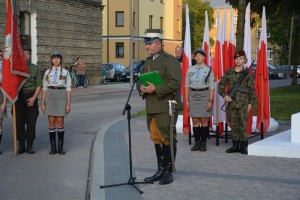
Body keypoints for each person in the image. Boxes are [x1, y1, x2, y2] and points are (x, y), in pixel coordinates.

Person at [137, 29, 181, 185]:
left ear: (158, 44)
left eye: (149, 44)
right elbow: (139, 80)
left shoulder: (170, 61)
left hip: (166, 105)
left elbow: (175, 83)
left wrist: (156, 88)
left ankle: (168, 171)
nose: (147, 47)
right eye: (146, 44)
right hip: (151, 105)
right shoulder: (147, 62)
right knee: (156, 137)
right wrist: (141, 87)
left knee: (167, 137)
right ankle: (160, 169)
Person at [218, 50, 256, 155]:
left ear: (244, 60)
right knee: (234, 125)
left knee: (243, 125)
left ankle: (243, 146)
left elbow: (252, 90)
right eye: (236, 58)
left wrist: (250, 103)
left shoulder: (248, 73)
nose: (238, 60)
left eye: (240, 58)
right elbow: (221, 85)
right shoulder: (229, 72)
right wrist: (224, 96)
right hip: (232, 104)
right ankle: (235, 145)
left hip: (244, 104)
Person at [41, 51, 71, 155]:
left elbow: (68, 89)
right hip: (50, 95)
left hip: (61, 95)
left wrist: (68, 104)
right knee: (51, 122)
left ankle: (60, 148)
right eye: (54, 58)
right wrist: (43, 103)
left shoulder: (66, 72)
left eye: (58, 58)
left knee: (60, 121)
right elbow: (44, 88)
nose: (56, 60)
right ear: (51, 60)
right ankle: (53, 148)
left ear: (61, 60)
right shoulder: (47, 72)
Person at [185, 49, 214, 152]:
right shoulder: (190, 69)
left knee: (204, 120)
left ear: (204, 57)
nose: (198, 57)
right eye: (196, 56)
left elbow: (211, 87)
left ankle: (203, 143)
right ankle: (197, 143)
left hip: (204, 95)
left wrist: (210, 101)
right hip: (193, 95)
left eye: (200, 56)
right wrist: (187, 100)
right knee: (195, 120)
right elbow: (187, 86)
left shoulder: (209, 69)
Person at [14, 48, 42, 154]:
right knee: (19, 122)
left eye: (27, 53)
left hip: (31, 95)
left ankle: (29, 145)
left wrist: (34, 98)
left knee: (31, 121)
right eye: (23, 53)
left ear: (30, 56)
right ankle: (21, 146)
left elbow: (39, 85)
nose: (25, 55)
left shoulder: (34, 68)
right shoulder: (16, 68)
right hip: (19, 96)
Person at [0, 51, 7, 155]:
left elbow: (6, 87)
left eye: (1, 57)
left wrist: (4, 102)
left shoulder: (5, 72)